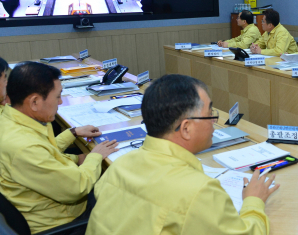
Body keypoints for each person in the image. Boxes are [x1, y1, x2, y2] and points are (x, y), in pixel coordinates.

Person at [86, 74, 279, 234]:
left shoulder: (119, 164)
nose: (214, 122)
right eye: (210, 113)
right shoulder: (199, 191)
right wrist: (253, 200)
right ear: (186, 128)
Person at [0, 62, 119, 233]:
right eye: (57, 96)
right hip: (62, 222)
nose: (61, 102)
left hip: (47, 201)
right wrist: (95, 156)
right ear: (34, 102)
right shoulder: (23, 147)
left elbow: (46, 152)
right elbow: (77, 187)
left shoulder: (8, 120)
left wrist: (73, 133)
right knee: (126, 197)